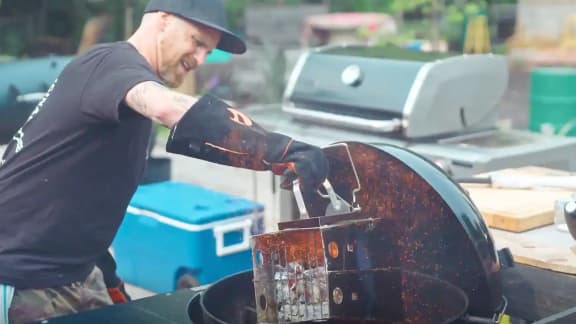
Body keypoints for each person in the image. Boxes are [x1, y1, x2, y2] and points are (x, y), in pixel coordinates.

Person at [0, 0, 329, 322]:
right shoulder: (112, 64)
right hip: (21, 277)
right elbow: (166, 108)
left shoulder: (122, 93)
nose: (200, 59)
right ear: (162, 19)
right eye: (197, 42)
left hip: (80, 270)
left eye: (207, 50)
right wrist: (276, 149)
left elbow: (77, 192)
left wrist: (109, 277)